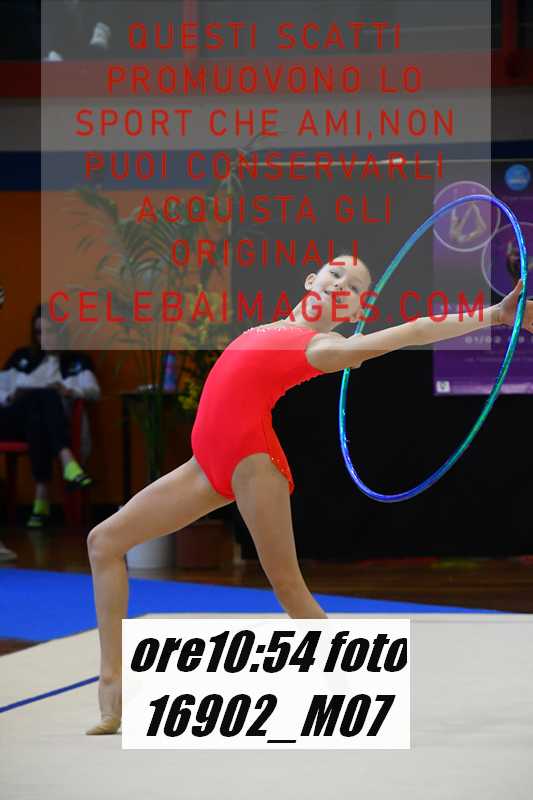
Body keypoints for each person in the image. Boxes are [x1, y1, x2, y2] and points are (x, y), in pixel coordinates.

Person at [85, 255, 533, 735]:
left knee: (290, 590)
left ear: (358, 310)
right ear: (311, 279)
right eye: (336, 273)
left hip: (253, 465)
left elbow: (416, 330)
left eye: (354, 287)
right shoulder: (272, 327)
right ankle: (112, 682)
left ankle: (354, 692)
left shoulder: (323, 347)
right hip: (204, 465)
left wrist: (494, 315)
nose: (340, 284)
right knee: (103, 542)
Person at [0, 303, 101, 528]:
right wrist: (12, 396)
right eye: (39, 332)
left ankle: (41, 500)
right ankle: (68, 462)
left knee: (41, 411)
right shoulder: (21, 357)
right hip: (13, 421)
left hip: (46, 426)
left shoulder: (77, 362)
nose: (44, 338)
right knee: (41, 398)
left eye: (50, 331)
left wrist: (69, 391)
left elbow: (93, 390)